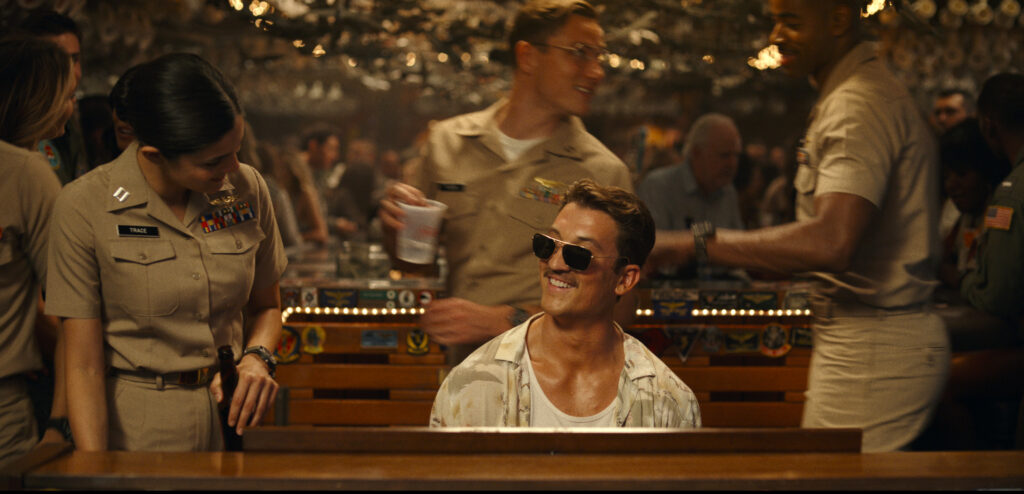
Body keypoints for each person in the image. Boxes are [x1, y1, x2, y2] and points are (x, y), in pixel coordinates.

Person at [648, 0, 948, 452]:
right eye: (774, 20)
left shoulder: (857, 103)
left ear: (838, 19)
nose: (775, 35)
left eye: (790, 20)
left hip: (873, 349)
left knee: (837, 481)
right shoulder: (847, 95)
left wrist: (693, 244)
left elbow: (832, 242)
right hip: (861, 343)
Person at [45, 53, 287, 452]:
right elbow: (83, 366)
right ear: (154, 154)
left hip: (232, 419)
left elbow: (268, 307)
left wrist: (258, 358)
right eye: (214, 161)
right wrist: (94, 469)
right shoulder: (84, 206)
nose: (233, 167)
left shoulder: (246, 187)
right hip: (138, 425)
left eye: (237, 150)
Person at [379, 0, 634, 360]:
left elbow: (619, 311)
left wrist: (505, 322)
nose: (596, 72)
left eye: (599, 56)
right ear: (528, 57)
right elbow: (416, 266)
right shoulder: (447, 142)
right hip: (460, 371)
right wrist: (396, 233)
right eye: (580, 53)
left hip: (552, 375)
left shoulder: (603, 172)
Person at [430, 179, 701, 427]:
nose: (555, 264)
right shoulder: (469, 386)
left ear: (624, 279)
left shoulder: (669, 403)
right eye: (547, 245)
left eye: (579, 254)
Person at [0, 37, 74, 468]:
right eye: (66, 96)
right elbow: (73, 312)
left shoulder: (29, 170)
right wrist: (62, 423)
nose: (71, 107)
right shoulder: (29, 172)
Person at [637, 113, 745, 279]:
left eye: (736, 155)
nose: (732, 163)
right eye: (724, 155)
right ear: (696, 153)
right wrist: (702, 244)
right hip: (667, 288)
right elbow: (650, 248)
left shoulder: (728, 192)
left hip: (719, 288)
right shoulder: (658, 185)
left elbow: (739, 249)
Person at [18, 10, 88, 185]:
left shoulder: (71, 120)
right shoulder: (18, 128)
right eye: (59, 62)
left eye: (75, 59)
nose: (71, 72)